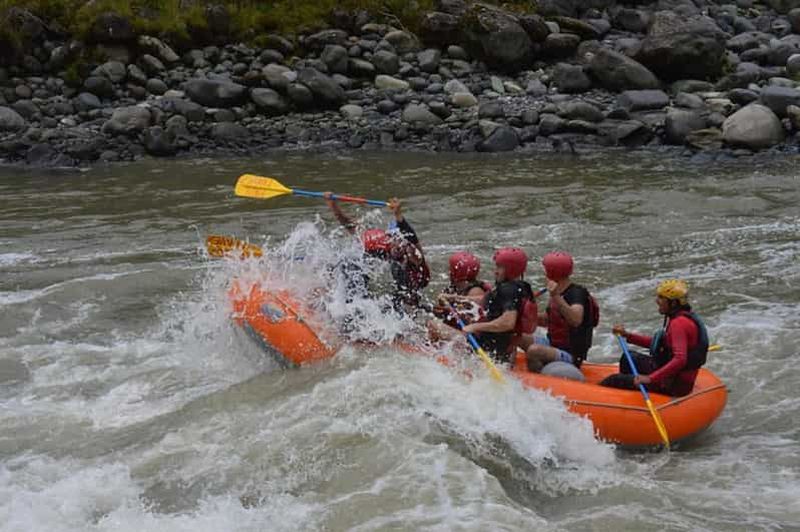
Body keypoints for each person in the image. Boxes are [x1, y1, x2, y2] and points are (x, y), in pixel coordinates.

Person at [600, 279, 709, 397]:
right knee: (629, 357)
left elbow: (680, 359)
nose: (657, 301)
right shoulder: (683, 318)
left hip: (674, 384)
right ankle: (634, 391)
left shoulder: (679, 324)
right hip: (678, 378)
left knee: (613, 380)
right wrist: (628, 335)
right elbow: (660, 344)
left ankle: (632, 395)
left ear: (673, 303)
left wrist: (650, 378)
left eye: (662, 298)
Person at [326, 194, 430, 309]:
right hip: (389, 271)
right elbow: (351, 226)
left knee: (401, 282)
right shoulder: (381, 242)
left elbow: (411, 236)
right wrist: (334, 207)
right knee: (349, 263)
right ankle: (351, 302)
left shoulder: (412, 252)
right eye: (394, 238)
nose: (398, 243)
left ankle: (408, 305)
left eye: (401, 239)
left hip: (413, 283)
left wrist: (398, 215)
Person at [453, 247, 535, 364]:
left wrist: (474, 327)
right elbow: (486, 299)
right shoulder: (522, 287)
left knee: (434, 326)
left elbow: (507, 322)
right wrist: (456, 298)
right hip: (504, 347)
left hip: (488, 348)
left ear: (511, 269)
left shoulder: (508, 290)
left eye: (500, 267)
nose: (495, 271)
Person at [525, 252, 598, 372]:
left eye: (545, 270)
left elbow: (576, 320)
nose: (544, 274)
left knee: (534, 351)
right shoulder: (558, 290)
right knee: (515, 336)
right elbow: (547, 320)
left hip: (571, 354)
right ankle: (505, 368)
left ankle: (536, 380)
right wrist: (523, 316)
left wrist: (556, 296)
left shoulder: (576, 294)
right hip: (552, 344)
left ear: (551, 272)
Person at [429, 252, 492, 334]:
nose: (449, 272)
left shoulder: (475, 291)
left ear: (457, 272)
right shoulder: (454, 289)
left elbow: (473, 318)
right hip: (462, 331)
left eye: (451, 269)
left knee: (433, 325)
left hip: (470, 336)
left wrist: (450, 310)